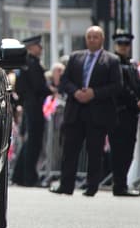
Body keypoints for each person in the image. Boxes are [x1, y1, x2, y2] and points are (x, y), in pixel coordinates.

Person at [52, 26, 123, 196]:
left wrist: (94, 93)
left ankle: (92, 187)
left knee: (95, 151)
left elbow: (117, 86)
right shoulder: (76, 57)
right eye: (89, 37)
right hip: (75, 111)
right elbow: (64, 82)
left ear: (102, 39)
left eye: (95, 37)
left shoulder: (111, 60)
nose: (92, 40)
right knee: (70, 150)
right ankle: (66, 185)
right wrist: (75, 91)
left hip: (97, 113)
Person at [108, 31, 140, 196]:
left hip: (131, 113)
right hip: (119, 112)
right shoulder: (113, 63)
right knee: (119, 150)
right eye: (120, 44)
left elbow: (137, 86)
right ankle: (119, 183)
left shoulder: (131, 64)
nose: (123, 48)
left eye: (126, 45)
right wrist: (136, 102)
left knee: (129, 148)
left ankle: (122, 183)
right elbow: (121, 89)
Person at [11, 35, 48, 188]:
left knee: (30, 142)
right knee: (33, 142)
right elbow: (38, 86)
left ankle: (20, 175)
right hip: (34, 106)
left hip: (30, 105)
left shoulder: (26, 63)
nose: (41, 48)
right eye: (38, 46)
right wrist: (50, 91)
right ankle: (29, 177)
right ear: (32, 47)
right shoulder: (31, 64)